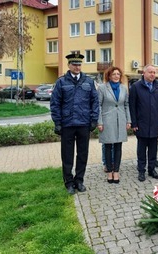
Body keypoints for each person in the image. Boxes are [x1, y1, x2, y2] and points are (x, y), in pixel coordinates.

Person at [50, 53, 99, 195]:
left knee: (83, 154)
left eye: (79, 64)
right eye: (74, 64)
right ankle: (69, 182)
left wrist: (94, 119)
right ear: (69, 65)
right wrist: (57, 122)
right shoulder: (61, 82)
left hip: (84, 123)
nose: (77, 67)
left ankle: (79, 180)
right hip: (67, 124)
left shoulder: (88, 81)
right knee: (67, 155)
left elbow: (94, 102)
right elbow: (55, 103)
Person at [129, 64, 158, 182]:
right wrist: (134, 123)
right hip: (141, 123)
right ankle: (141, 170)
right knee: (141, 149)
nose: (152, 74)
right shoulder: (136, 87)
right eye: (150, 72)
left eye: (154, 72)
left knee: (153, 148)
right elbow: (132, 106)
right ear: (143, 73)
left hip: (155, 123)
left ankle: (152, 169)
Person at [97, 66, 131, 184]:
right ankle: (109, 171)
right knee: (108, 146)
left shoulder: (123, 88)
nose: (116, 76)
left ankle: (116, 171)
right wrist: (99, 122)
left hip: (120, 119)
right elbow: (99, 106)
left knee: (118, 146)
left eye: (118, 74)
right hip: (107, 121)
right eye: (114, 74)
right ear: (109, 76)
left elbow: (126, 105)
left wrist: (128, 120)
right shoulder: (102, 88)